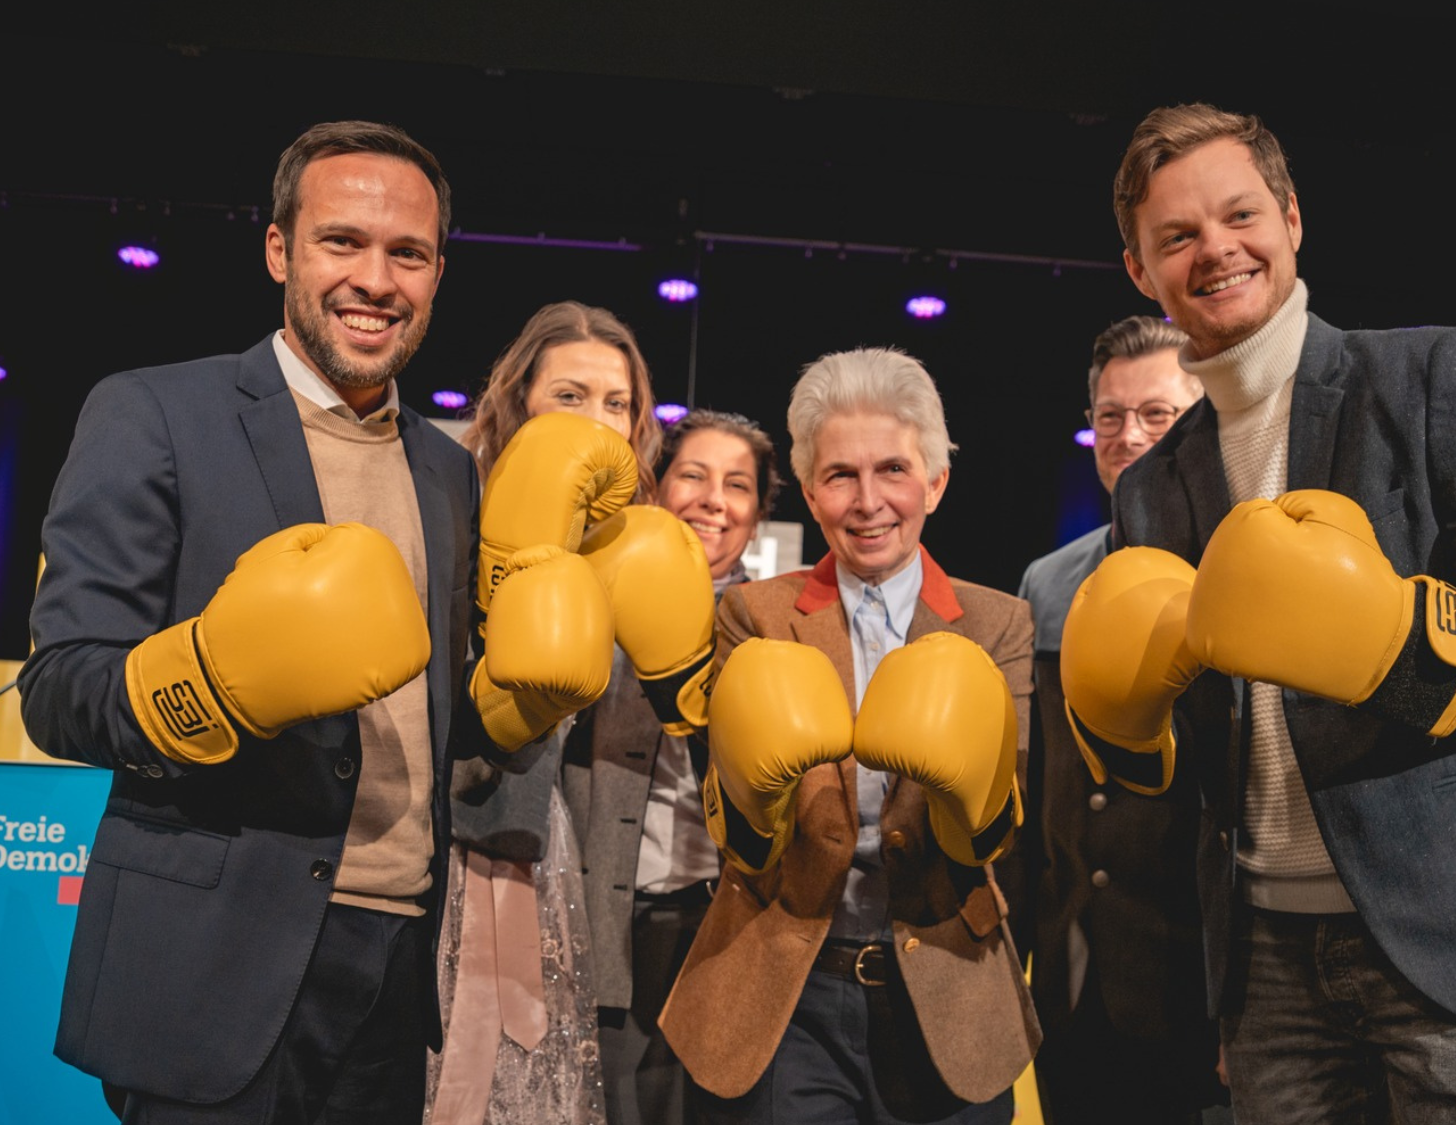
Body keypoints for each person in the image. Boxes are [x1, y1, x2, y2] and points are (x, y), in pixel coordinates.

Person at [1073, 101, 1456, 1122]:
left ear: (1290, 217)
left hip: (1453, 928)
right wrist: (1130, 733)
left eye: (1238, 215)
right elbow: (1182, 741)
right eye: (1176, 237)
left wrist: (1404, 651)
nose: (1214, 250)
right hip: (1264, 958)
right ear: (1139, 271)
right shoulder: (1149, 490)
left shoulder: (1427, 376)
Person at [17, 119, 494, 1122]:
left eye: (406, 252)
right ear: (279, 249)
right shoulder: (155, 413)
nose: (375, 278)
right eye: (341, 242)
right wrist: (213, 680)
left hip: (393, 963)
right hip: (209, 962)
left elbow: (434, 713)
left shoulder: (448, 471)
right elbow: (59, 688)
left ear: (437, 271)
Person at [660, 347, 1040, 1125]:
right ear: (808, 490)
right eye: (840, 475)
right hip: (785, 988)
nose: (868, 501)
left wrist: (962, 783)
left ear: (935, 481)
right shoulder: (755, 614)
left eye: (893, 470)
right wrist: (757, 786)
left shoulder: (1000, 621)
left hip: (947, 981)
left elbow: (999, 832)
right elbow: (740, 834)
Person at [425, 299, 669, 1125]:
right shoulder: (447, 501)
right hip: (425, 854)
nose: (598, 422)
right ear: (517, 398)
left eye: (617, 402)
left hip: (538, 856)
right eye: (571, 394)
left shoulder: (629, 545)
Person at [1014, 315, 1226, 1124]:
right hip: (1075, 983)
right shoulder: (1048, 581)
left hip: (1198, 987)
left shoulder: (1241, 572)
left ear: (1203, 420)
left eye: (1156, 414)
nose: (1127, 435)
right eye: (1110, 415)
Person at [561, 408, 783, 1125]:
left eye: (738, 484)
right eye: (694, 473)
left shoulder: (779, 623)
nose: (714, 499)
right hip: (608, 922)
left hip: (729, 929)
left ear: (758, 512)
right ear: (655, 488)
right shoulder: (594, 592)